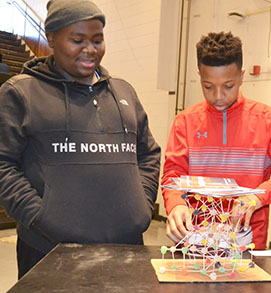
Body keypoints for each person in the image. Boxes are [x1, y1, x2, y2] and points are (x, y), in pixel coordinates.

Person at [0, 0, 161, 278]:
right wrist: (40, 216)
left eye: (97, 40)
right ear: (51, 38)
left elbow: (148, 154)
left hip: (126, 248)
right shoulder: (20, 93)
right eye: (77, 40)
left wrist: (142, 206)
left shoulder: (124, 92)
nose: (90, 49)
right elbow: (3, 164)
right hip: (49, 250)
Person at [161, 31, 271, 249]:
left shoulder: (267, 120)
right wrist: (176, 205)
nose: (218, 96)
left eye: (228, 86)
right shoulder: (185, 122)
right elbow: (172, 175)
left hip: (248, 244)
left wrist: (260, 196)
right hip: (195, 242)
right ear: (199, 76)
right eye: (208, 86)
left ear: (242, 76)